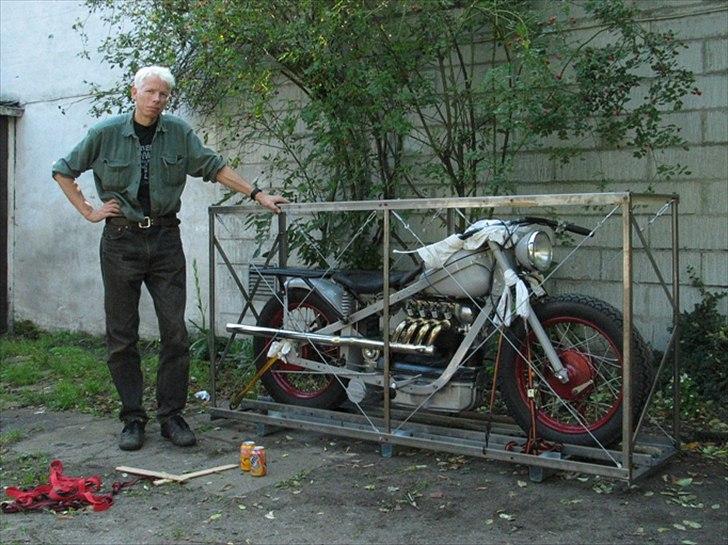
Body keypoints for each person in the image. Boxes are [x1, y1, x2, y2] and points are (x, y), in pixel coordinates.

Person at [52, 65, 287, 451]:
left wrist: (257, 194)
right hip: (120, 241)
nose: (157, 99)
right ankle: (132, 418)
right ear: (134, 92)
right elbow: (63, 170)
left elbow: (214, 166)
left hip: (164, 239)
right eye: (150, 92)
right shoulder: (105, 133)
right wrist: (89, 211)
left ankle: (172, 416)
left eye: (163, 94)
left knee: (175, 333)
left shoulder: (177, 132)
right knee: (121, 336)